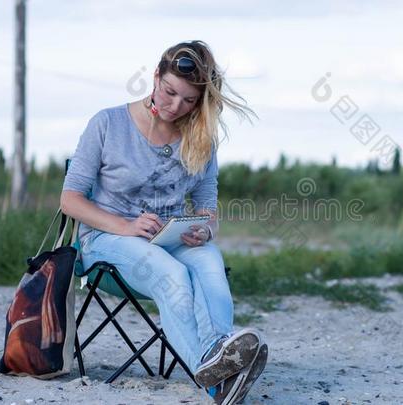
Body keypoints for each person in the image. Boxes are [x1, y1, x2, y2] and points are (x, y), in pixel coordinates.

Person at [60, 40, 267, 404]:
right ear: (155, 77)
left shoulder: (201, 137)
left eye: (189, 101)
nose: (176, 106)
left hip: (168, 237)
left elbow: (206, 207)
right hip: (106, 241)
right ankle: (217, 375)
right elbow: (70, 200)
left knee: (208, 259)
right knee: (170, 272)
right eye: (170, 92)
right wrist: (125, 226)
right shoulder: (107, 123)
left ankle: (219, 354)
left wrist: (206, 229)